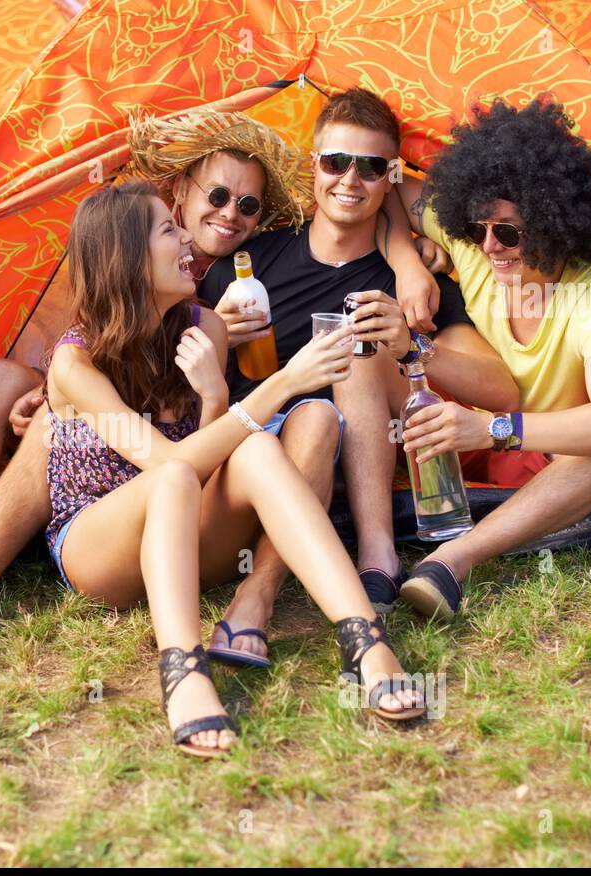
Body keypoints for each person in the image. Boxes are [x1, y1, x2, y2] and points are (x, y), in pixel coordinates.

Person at [0, 107, 440, 608]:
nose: (230, 216)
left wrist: (409, 257)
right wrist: (53, 388)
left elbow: (373, 197)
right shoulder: (127, 239)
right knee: (12, 387)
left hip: (189, 456)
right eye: (217, 197)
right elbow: (93, 336)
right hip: (129, 442)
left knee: (56, 421)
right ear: (180, 195)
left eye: (248, 205)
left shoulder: (231, 274)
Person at [39, 181, 425, 756]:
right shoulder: (76, 361)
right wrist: (283, 382)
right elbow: (169, 466)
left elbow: (209, 449)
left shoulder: (204, 328)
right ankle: (184, 672)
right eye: (167, 231)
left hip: (184, 534)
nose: (186, 241)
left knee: (275, 438)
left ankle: (363, 638)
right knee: (179, 470)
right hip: (99, 548)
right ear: (126, 256)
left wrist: (217, 399)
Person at [194, 87, 519, 665]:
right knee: (309, 414)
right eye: (335, 161)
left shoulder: (414, 281)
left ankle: (348, 567)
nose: (350, 179)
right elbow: (169, 365)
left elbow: (502, 390)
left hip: (342, 455)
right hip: (245, 464)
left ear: (391, 177)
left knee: (350, 365)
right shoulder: (249, 263)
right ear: (312, 166)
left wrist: (412, 345)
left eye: (371, 167)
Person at [383, 97, 591, 622]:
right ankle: (376, 557)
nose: (489, 245)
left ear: (553, 224)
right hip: (444, 439)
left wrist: (493, 429)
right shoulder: (477, 250)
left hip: (536, 462)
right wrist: (406, 260)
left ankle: (452, 562)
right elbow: (388, 177)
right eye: (478, 227)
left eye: (507, 232)